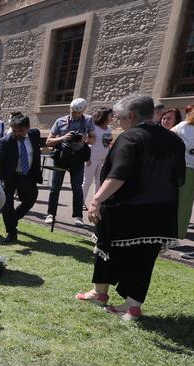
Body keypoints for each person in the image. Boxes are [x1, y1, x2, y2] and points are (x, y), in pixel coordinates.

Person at [76, 94, 184, 320]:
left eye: (120, 117)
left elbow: (119, 174)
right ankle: (132, 306)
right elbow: (179, 178)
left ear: (131, 116)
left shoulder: (130, 137)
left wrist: (96, 200)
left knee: (105, 248)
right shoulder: (174, 140)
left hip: (126, 209)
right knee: (143, 261)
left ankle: (100, 293)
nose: (117, 121)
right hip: (162, 211)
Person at [45, 98, 96, 226]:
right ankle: (51, 214)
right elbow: (48, 141)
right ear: (70, 108)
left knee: (77, 189)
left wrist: (84, 139)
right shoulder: (60, 121)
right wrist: (63, 137)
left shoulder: (88, 120)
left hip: (78, 158)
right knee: (55, 188)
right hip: (62, 157)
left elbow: (93, 140)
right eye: (73, 112)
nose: (76, 115)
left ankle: (78, 216)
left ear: (84, 110)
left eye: (79, 113)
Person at [0, 112, 42, 243]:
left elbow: (39, 150)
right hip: (10, 176)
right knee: (7, 204)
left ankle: (13, 219)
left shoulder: (34, 135)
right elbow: (0, 162)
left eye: (20, 131)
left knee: (30, 200)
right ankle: (11, 233)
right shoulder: (5, 141)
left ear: (27, 127)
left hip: (28, 175)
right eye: (14, 130)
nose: (17, 133)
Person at [172, 106, 194, 259]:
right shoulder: (184, 126)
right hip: (182, 166)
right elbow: (169, 136)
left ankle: (175, 235)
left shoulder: (184, 126)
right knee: (179, 201)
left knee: (184, 202)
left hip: (193, 169)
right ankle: (172, 234)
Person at [83, 107, 114, 206]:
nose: (113, 117)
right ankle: (80, 202)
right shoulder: (93, 128)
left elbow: (107, 144)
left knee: (99, 182)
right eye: (111, 115)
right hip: (91, 158)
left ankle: (96, 203)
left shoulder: (109, 129)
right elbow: (87, 143)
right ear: (104, 116)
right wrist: (87, 158)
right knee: (87, 182)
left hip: (103, 160)